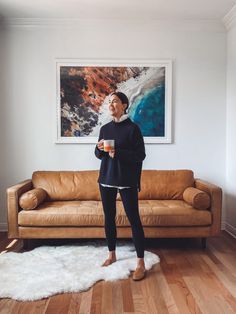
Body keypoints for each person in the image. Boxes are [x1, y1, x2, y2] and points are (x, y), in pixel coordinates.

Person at [94, 91, 146, 281]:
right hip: (106, 178)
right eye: (109, 102)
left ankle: (140, 263)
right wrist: (98, 149)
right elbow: (99, 156)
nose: (111, 105)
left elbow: (140, 156)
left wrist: (120, 153)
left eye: (115, 101)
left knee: (134, 219)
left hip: (127, 180)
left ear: (124, 105)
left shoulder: (133, 129)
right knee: (109, 217)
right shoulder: (105, 128)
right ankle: (112, 254)